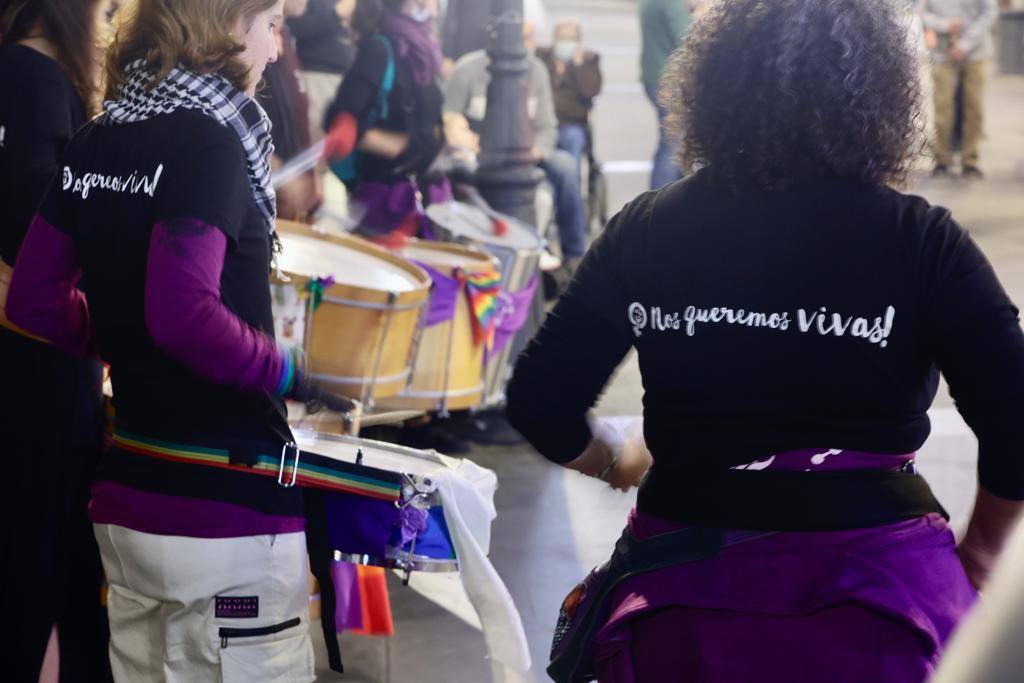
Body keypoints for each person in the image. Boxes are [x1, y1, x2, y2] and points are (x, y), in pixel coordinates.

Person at [507, 0, 1024, 681]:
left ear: (716, 85)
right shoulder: (922, 241)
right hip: (883, 601)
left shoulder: (649, 229)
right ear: (884, 95)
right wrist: (983, 554)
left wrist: (612, 461)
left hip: (684, 597)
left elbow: (540, 400)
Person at [6, 0, 351, 678]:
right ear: (226, 21)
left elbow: (34, 301)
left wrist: (124, 336)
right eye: (271, 23)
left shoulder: (100, 137)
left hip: (129, 505)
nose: (275, 47)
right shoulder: (210, 143)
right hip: (227, 516)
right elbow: (183, 313)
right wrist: (289, 372)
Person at [0, 2, 113, 681]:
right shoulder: (34, 78)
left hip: (39, 364)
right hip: (37, 370)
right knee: (37, 574)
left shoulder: (25, 71)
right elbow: (36, 243)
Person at [444, 22, 587, 266]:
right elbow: (449, 116)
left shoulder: (536, 71)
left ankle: (575, 254)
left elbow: (547, 127)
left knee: (565, 166)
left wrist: (536, 151)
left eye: (528, 38)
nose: (523, 44)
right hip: (478, 155)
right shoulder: (468, 70)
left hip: (528, 154)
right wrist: (464, 141)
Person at [322, 0, 450, 246]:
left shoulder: (423, 48)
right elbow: (342, 119)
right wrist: (401, 145)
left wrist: (443, 134)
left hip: (424, 198)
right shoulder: (379, 48)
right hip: (384, 205)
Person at [922, 0, 998, 178]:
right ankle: (942, 160)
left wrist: (965, 44)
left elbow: (989, 13)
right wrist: (945, 24)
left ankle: (969, 161)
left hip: (976, 53)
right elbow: (922, 13)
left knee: (974, 108)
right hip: (943, 53)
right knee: (942, 108)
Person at [263, 0, 323, 222]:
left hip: (292, 203)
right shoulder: (248, 35)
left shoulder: (286, 35)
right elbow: (235, 117)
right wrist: (281, 173)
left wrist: (313, 172)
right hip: (264, 200)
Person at [537, 21, 603, 182]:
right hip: (542, 125)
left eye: (571, 38)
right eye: (562, 38)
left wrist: (579, 66)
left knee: (572, 140)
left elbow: (590, 91)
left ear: (579, 41)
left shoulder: (589, 61)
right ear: (554, 39)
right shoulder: (541, 59)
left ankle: (571, 188)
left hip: (570, 124)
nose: (566, 43)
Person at [287, 0, 356, 143]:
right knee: (317, 140)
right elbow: (296, 25)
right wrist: (336, 13)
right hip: (318, 75)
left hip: (349, 75)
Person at [638, 0, 690, 189]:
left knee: (671, 140)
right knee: (673, 143)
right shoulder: (671, 4)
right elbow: (687, 38)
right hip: (669, 78)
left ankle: (661, 195)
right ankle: (663, 195)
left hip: (654, 76)